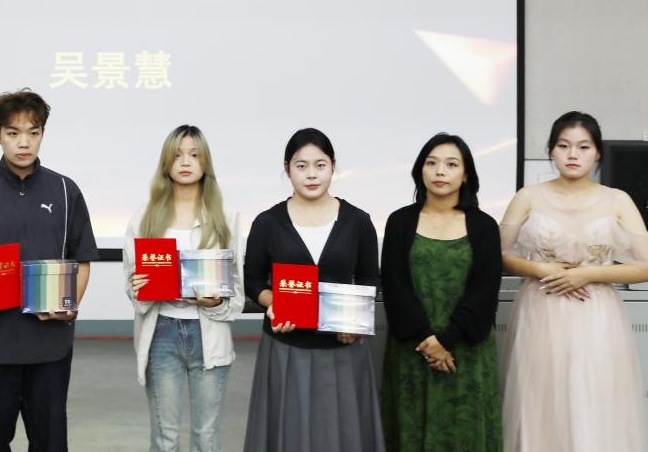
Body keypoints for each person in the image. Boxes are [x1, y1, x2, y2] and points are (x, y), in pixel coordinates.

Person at [0, 89, 99, 452]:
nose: (24, 143)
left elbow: (82, 258)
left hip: (50, 343)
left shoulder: (66, 191)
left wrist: (70, 303)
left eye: (33, 132)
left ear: (43, 134)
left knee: (50, 443)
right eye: (13, 133)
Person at [500, 111, 648, 451]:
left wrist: (588, 273)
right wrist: (543, 270)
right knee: (541, 397)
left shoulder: (617, 199)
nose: (572, 154)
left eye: (583, 147)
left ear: (597, 153)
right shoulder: (528, 196)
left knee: (594, 397)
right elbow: (499, 255)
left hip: (597, 314)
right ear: (551, 150)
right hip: (541, 309)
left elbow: (646, 265)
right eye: (563, 145)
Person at [242, 128, 384, 452]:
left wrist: (354, 322)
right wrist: (273, 302)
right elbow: (253, 280)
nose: (311, 174)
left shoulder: (358, 221)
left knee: (341, 435)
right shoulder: (267, 222)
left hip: (343, 350)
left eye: (320, 165)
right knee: (288, 436)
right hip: (285, 349)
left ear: (333, 166)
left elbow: (369, 278)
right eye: (301, 165)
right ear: (287, 168)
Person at [124, 125, 244, 452]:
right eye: (177, 155)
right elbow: (132, 283)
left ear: (206, 162)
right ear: (166, 162)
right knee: (166, 437)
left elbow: (236, 288)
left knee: (207, 436)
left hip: (209, 333)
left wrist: (216, 301)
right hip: (162, 331)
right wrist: (138, 287)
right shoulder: (145, 216)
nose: (186, 162)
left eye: (194, 155)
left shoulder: (225, 216)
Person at [380, 133, 501, 452]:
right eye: (431, 163)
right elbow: (394, 286)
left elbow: (484, 292)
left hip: (466, 353)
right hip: (412, 350)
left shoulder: (484, 226)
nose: (440, 171)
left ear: (466, 175)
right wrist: (427, 341)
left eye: (451, 164)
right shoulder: (400, 222)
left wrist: (447, 341)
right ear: (420, 170)